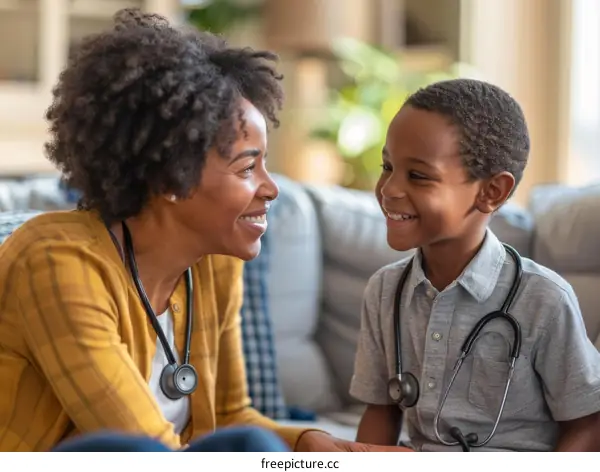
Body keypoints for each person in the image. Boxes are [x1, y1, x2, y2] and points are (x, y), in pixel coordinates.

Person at [0, 9, 412, 453]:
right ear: (171, 178)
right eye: (248, 166)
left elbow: (228, 419)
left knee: (254, 442)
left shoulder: (213, 266)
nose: (271, 188)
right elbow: (145, 449)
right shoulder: (56, 262)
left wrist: (318, 444)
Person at [349, 78, 600, 452]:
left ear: (491, 192)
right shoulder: (385, 290)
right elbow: (381, 413)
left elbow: (587, 424)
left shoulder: (544, 299)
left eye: (417, 175)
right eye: (387, 166)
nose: (389, 189)